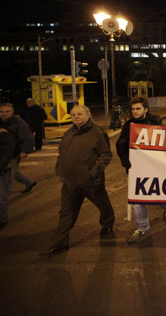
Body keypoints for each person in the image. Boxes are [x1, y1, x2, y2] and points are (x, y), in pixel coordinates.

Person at [46, 105, 114, 255]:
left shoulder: (97, 133)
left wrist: (91, 173)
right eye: (73, 114)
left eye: (79, 114)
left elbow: (106, 155)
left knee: (103, 205)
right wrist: (60, 169)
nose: (76, 117)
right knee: (66, 213)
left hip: (91, 183)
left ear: (88, 115)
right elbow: (61, 153)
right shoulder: (69, 133)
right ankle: (60, 244)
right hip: (70, 182)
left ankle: (107, 223)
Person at [116, 97, 166, 244]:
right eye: (133, 109)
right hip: (136, 168)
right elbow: (120, 145)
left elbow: (165, 142)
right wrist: (125, 161)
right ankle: (142, 228)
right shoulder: (128, 126)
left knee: (155, 193)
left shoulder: (155, 122)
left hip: (153, 167)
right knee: (137, 199)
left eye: (138, 109)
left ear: (146, 109)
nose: (135, 112)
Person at [0, 102, 35, 228]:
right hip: (3, 156)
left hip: (13, 156)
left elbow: (28, 138)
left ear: (12, 112)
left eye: (7, 111)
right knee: (11, 172)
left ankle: (2, 218)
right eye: (1, 111)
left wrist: (25, 151)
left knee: (3, 186)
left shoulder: (19, 123)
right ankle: (29, 182)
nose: (4, 114)